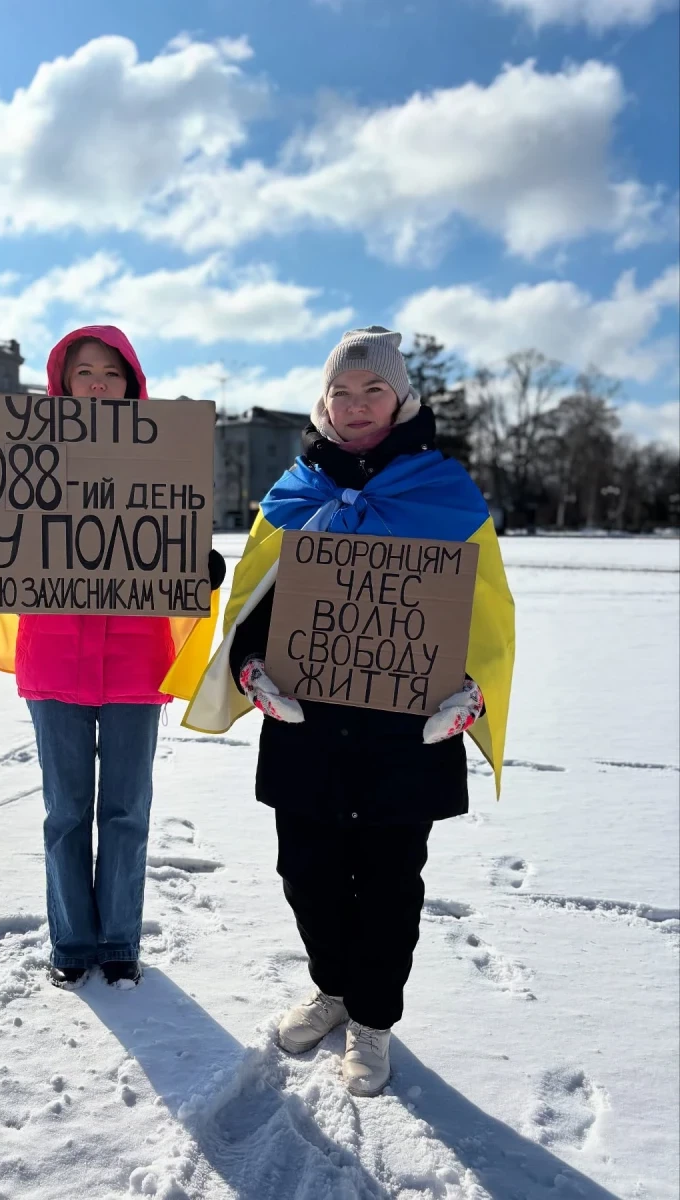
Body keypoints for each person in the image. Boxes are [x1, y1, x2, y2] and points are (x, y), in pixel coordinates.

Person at [181, 327, 514, 1096]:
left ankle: (372, 1019)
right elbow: (251, 605)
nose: (357, 405)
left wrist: (472, 686)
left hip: (408, 732)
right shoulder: (293, 493)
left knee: (393, 884)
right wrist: (250, 667)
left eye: (373, 390)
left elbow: (486, 613)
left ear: (402, 399)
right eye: (342, 391)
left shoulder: (448, 494)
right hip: (305, 730)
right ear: (322, 403)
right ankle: (332, 989)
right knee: (307, 873)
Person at [0, 326, 225, 991]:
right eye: (84, 372)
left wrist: (196, 569)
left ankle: (117, 941)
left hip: (137, 662)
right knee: (64, 812)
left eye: (111, 374)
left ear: (131, 384)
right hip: (54, 659)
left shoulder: (162, 461)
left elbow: (172, 544)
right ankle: (72, 940)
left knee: (125, 811)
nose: (97, 384)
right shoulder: (19, 456)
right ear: (60, 382)